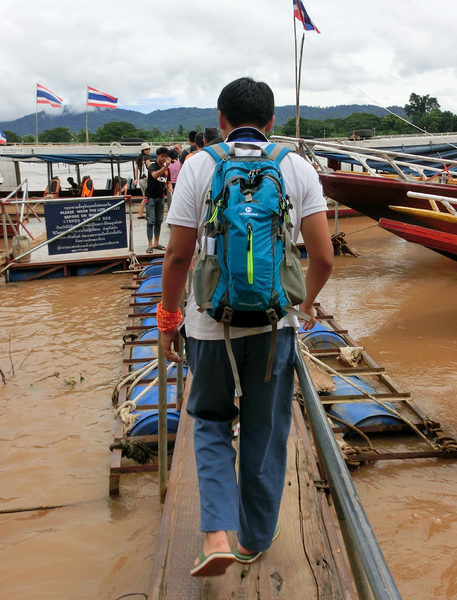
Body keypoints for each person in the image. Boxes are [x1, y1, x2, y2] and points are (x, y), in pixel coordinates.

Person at [158, 77, 334, 577]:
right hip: (274, 326)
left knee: (211, 421)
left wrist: (169, 321)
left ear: (221, 120)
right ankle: (255, 539)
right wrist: (304, 306)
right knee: (266, 428)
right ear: (272, 122)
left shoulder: (198, 165)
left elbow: (176, 256)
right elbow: (322, 256)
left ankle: (216, 533)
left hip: (211, 324)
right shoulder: (295, 166)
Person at [144, 146, 171, 253]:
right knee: (150, 221)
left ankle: (156, 242)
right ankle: (150, 244)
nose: (164, 158)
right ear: (157, 156)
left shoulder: (167, 169)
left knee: (159, 221)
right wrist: (165, 167)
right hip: (150, 197)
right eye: (162, 156)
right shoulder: (152, 166)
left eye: (166, 156)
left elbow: (168, 180)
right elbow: (155, 175)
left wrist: (170, 186)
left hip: (160, 197)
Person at [135, 142, 151, 218]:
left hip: (141, 180)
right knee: (148, 197)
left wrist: (136, 179)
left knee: (144, 197)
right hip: (146, 179)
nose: (148, 150)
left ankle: (140, 213)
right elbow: (149, 167)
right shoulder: (146, 158)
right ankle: (147, 213)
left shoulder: (139, 158)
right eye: (146, 149)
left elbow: (136, 169)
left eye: (148, 149)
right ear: (143, 150)